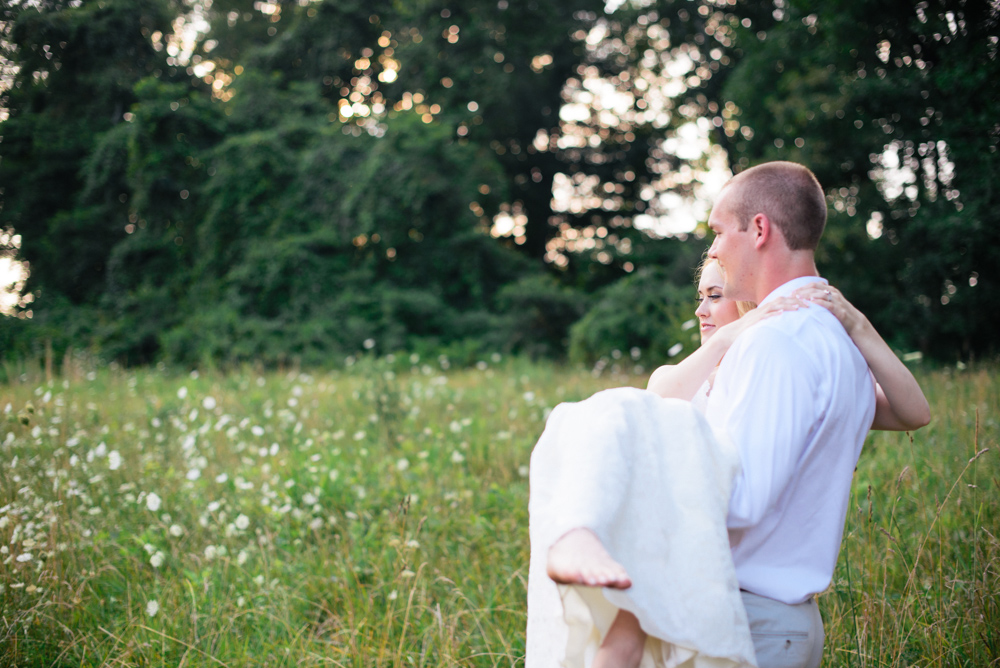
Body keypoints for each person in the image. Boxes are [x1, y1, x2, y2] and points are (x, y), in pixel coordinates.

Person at [526, 161, 930, 668]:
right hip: (770, 620)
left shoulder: (777, 343)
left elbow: (744, 498)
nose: (713, 248)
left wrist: (632, 496)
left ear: (759, 229)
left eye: (717, 231)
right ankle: (580, 532)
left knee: (613, 415)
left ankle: (581, 530)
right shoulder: (836, 346)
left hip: (749, 619)